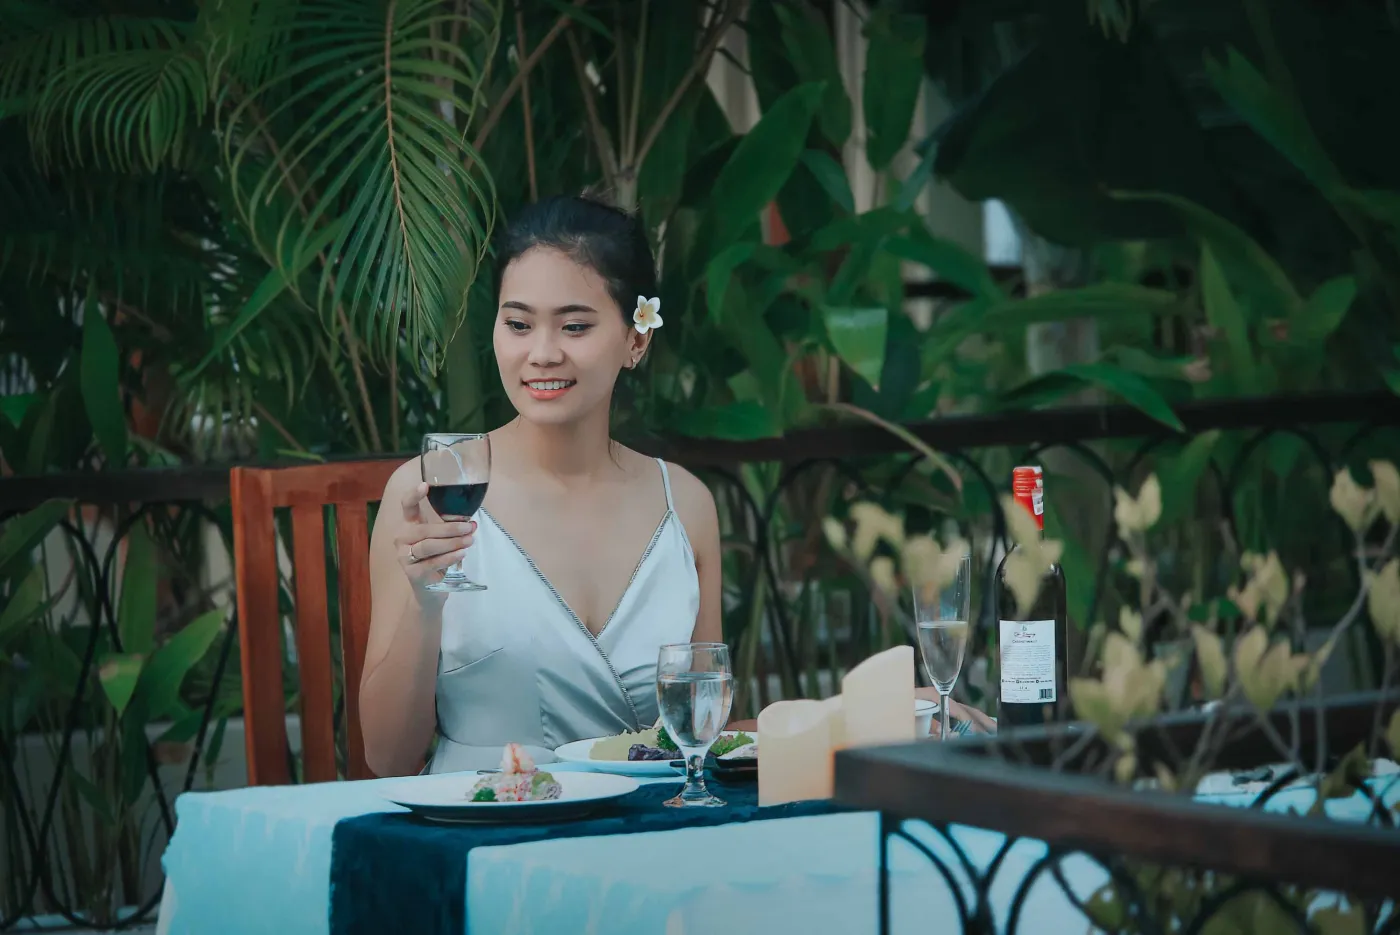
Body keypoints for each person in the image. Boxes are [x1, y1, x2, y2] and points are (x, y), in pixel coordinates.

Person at [360, 195, 723, 777]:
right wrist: (423, 601)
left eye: (575, 326)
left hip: (648, 834)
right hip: (485, 830)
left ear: (636, 339)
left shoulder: (685, 505)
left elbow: (706, 733)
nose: (543, 353)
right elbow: (387, 758)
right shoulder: (431, 491)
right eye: (519, 324)